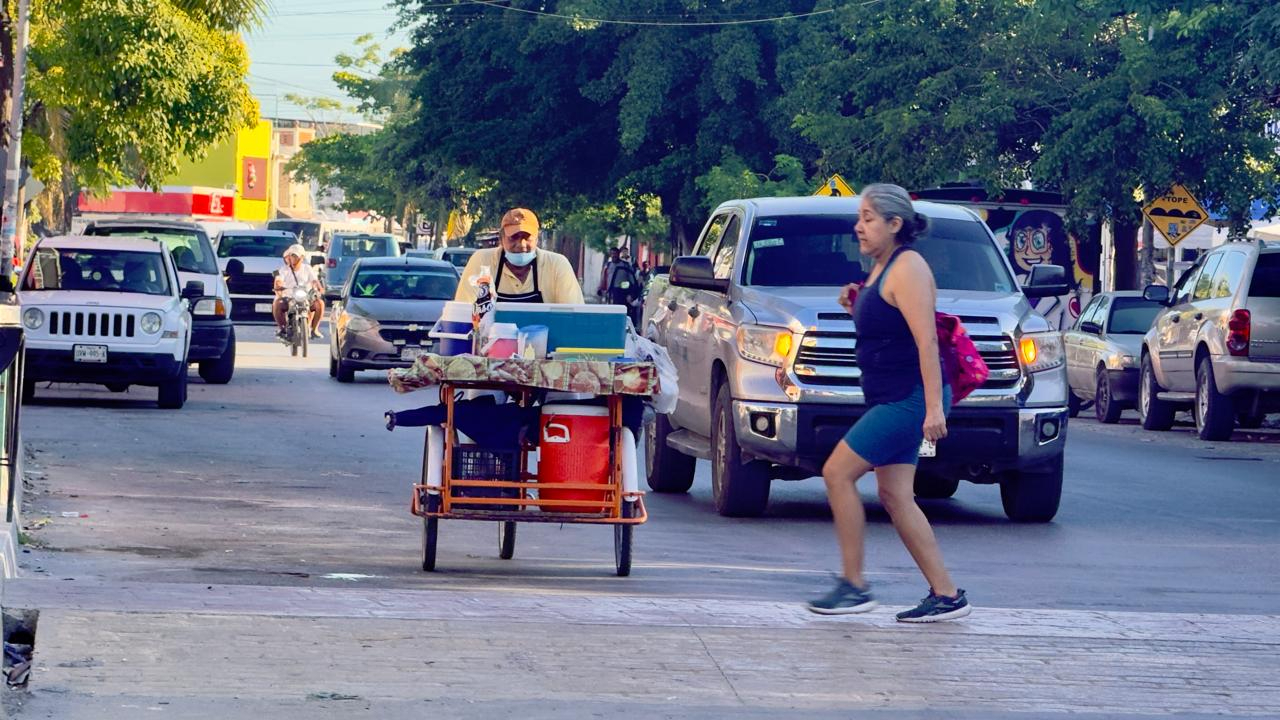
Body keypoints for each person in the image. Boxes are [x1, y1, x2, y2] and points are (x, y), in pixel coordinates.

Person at [807, 183, 970, 623]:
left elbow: (926, 342)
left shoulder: (908, 267)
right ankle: (947, 594)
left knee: (837, 473)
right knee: (896, 495)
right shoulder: (880, 270)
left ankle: (855, 585)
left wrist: (934, 408)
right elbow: (887, 331)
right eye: (859, 217)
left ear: (895, 224)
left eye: (868, 218)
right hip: (892, 395)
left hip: (908, 399)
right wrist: (853, 303)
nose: (858, 227)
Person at [455, 208, 584, 305]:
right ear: (501, 239)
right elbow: (462, 310)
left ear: (537, 239)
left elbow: (574, 316)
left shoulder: (556, 265)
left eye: (527, 238)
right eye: (514, 238)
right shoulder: (482, 261)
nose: (521, 245)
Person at [272, 243, 325, 340]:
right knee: (277, 303)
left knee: (320, 304)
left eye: (296, 256)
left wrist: (319, 288)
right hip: (288, 298)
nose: (293, 258)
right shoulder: (283, 269)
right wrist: (279, 285)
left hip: (306, 297)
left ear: (302, 257)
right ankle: (283, 329)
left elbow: (314, 281)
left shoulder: (307, 268)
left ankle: (314, 330)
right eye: (291, 255)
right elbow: (278, 279)